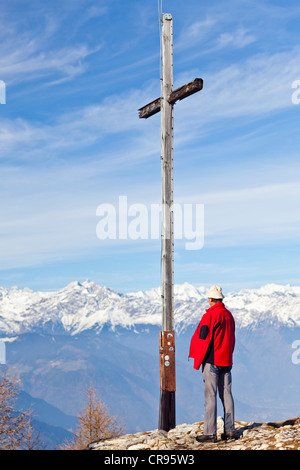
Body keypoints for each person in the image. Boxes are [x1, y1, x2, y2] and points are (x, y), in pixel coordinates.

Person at [189, 284, 236, 442]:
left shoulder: (209, 316)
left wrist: (197, 360)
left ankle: (210, 433)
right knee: (227, 395)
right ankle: (230, 430)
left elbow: (202, 339)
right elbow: (232, 339)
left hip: (212, 361)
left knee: (211, 396)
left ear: (210, 299)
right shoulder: (229, 315)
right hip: (226, 360)